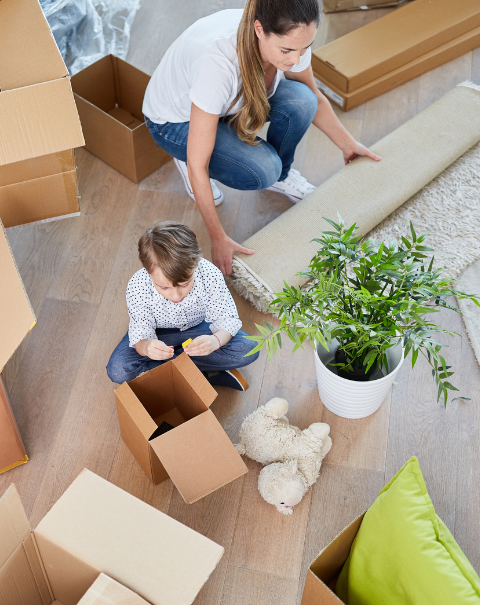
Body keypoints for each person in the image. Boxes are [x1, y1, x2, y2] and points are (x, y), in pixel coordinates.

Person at [141, 0, 382, 276]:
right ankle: (187, 150)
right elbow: (200, 166)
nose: (296, 59)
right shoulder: (218, 63)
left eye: (305, 47)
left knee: (302, 101)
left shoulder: (292, 39)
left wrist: (350, 146)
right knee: (262, 171)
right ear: (259, 30)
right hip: (174, 121)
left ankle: (280, 174)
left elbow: (313, 98)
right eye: (287, 50)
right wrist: (218, 237)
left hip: (220, 106)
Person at [106, 221, 259, 390]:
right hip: (158, 334)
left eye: (184, 284)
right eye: (163, 288)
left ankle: (174, 374)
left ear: (195, 263)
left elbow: (226, 319)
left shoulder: (209, 274)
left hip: (201, 329)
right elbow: (141, 333)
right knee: (118, 370)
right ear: (148, 271)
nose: (176, 295)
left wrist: (215, 341)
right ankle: (205, 374)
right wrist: (148, 347)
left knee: (249, 348)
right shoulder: (138, 285)